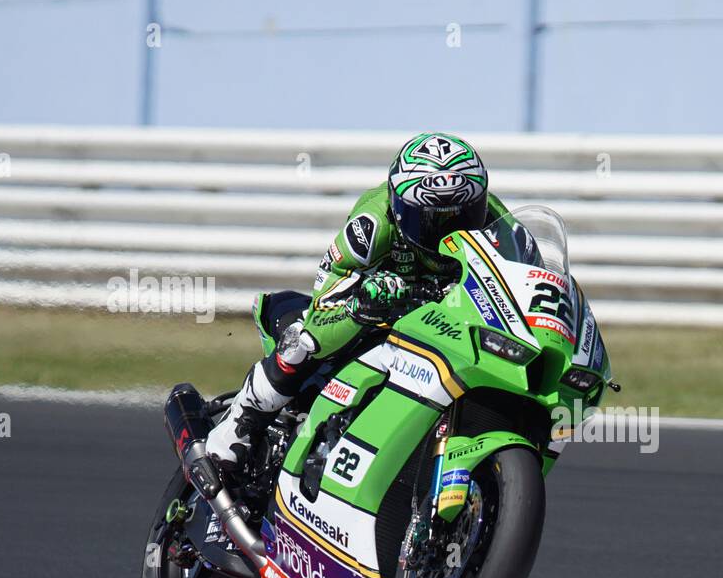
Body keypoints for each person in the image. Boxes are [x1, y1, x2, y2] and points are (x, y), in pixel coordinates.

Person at [205, 132, 508, 470]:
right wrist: (361, 302)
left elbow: (519, 277)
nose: (448, 233)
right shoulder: (373, 224)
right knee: (304, 341)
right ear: (399, 209)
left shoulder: (498, 220)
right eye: (431, 221)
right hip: (374, 307)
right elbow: (324, 300)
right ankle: (240, 422)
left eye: (462, 217)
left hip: (443, 316)